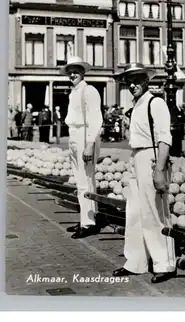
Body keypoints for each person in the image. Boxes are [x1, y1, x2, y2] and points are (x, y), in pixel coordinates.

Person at [112, 63, 177, 284]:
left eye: (137, 80)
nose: (133, 85)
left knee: (154, 212)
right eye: (129, 81)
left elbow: (164, 138)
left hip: (152, 157)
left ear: (146, 81)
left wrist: (159, 169)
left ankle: (164, 263)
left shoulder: (155, 103)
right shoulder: (136, 105)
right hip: (136, 157)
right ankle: (136, 262)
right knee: (134, 213)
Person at [60, 56, 104, 239]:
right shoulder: (74, 92)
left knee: (85, 180)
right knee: (82, 180)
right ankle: (88, 217)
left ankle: (88, 223)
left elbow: (95, 119)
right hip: (74, 136)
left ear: (83, 72)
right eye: (70, 71)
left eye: (76, 71)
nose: (72, 74)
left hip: (85, 137)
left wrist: (89, 145)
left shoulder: (89, 91)